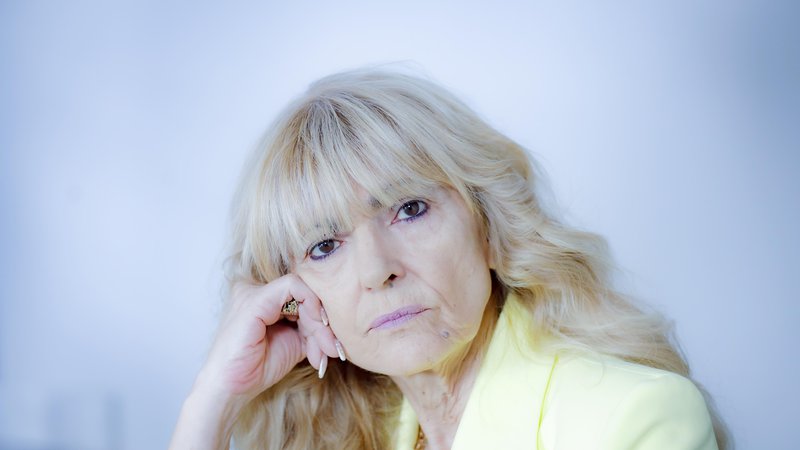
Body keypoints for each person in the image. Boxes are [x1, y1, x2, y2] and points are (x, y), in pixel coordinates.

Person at [169, 69, 729, 450]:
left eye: (409, 209)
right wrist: (212, 401)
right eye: (324, 246)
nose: (377, 270)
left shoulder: (633, 420)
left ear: (488, 226)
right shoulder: (348, 435)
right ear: (296, 301)